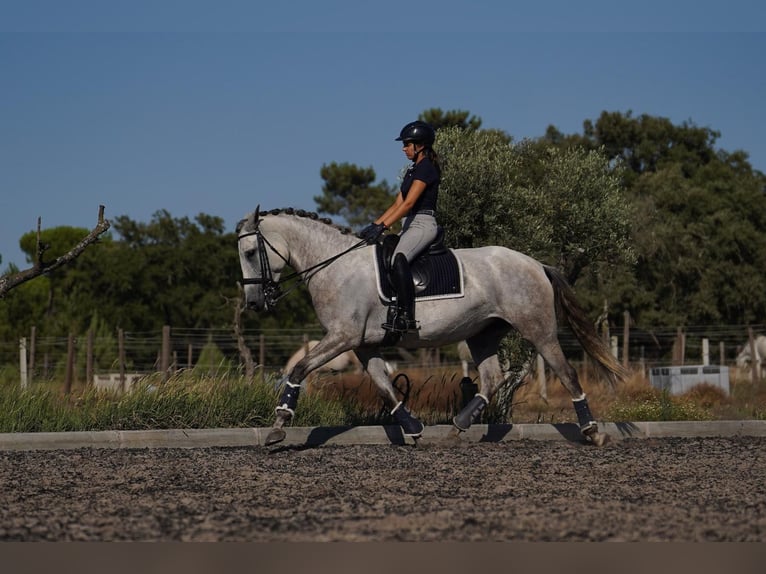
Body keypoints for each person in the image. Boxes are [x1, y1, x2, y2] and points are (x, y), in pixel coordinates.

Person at [358, 120, 441, 333]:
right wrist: (374, 225)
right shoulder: (412, 170)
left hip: (423, 223)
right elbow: (397, 204)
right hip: (409, 223)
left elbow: (409, 204)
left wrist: (384, 225)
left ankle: (407, 316)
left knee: (398, 259)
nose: (404, 148)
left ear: (420, 145)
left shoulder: (427, 168)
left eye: (407, 144)